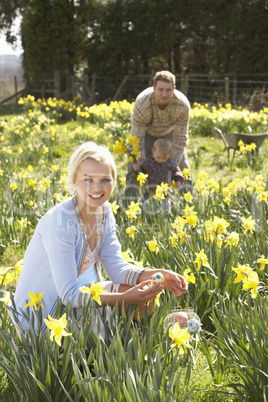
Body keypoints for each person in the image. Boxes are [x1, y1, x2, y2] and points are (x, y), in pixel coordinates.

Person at [10, 141, 187, 336]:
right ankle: (105, 350)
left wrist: (158, 274)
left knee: (144, 299)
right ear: (73, 181)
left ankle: (121, 345)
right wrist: (124, 298)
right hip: (44, 316)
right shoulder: (60, 223)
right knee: (128, 303)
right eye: (88, 180)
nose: (97, 187)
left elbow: (117, 268)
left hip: (76, 299)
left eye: (105, 179)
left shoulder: (103, 212)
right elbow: (69, 295)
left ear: (113, 180)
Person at [125, 70, 191, 200]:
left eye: (168, 90)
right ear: (154, 88)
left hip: (169, 133)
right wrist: (143, 166)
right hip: (146, 133)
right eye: (160, 90)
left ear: (174, 89)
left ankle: (188, 204)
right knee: (134, 168)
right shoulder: (142, 104)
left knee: (183, 167)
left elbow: (180, 138)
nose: (164, 94)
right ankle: (130, 205)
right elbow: (137, 139)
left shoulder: (182, 105)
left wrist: (172, 166)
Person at [133, 138, 184, 210]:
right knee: (149, 211)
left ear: (169, 155)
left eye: (164, 158)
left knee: (165, 213)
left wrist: (179, 181)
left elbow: (177, 172)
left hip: (165, 194)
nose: (160, 160)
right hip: (150, 193)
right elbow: (141, 173)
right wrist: (137, 169)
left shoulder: (170, 163)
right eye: (158, 157)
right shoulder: (149, 162)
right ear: (153, 151)